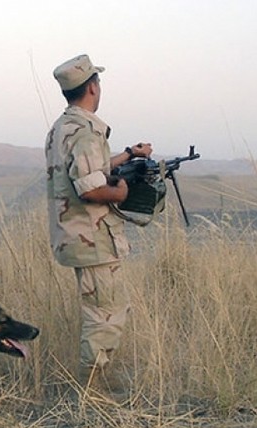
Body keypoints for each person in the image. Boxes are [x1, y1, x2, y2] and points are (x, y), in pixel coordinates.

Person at [45, 54, 153, 395]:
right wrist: (120, 192)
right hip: (93, 239)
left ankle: (94, 386)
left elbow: (90, 166)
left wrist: (128, 154)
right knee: (104, 316)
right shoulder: (88, 130)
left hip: (76, 237)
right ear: (93, 86)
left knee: (100, 311)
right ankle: (90, 393)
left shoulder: (63, 127)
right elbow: (91, 187)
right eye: (98, 82)